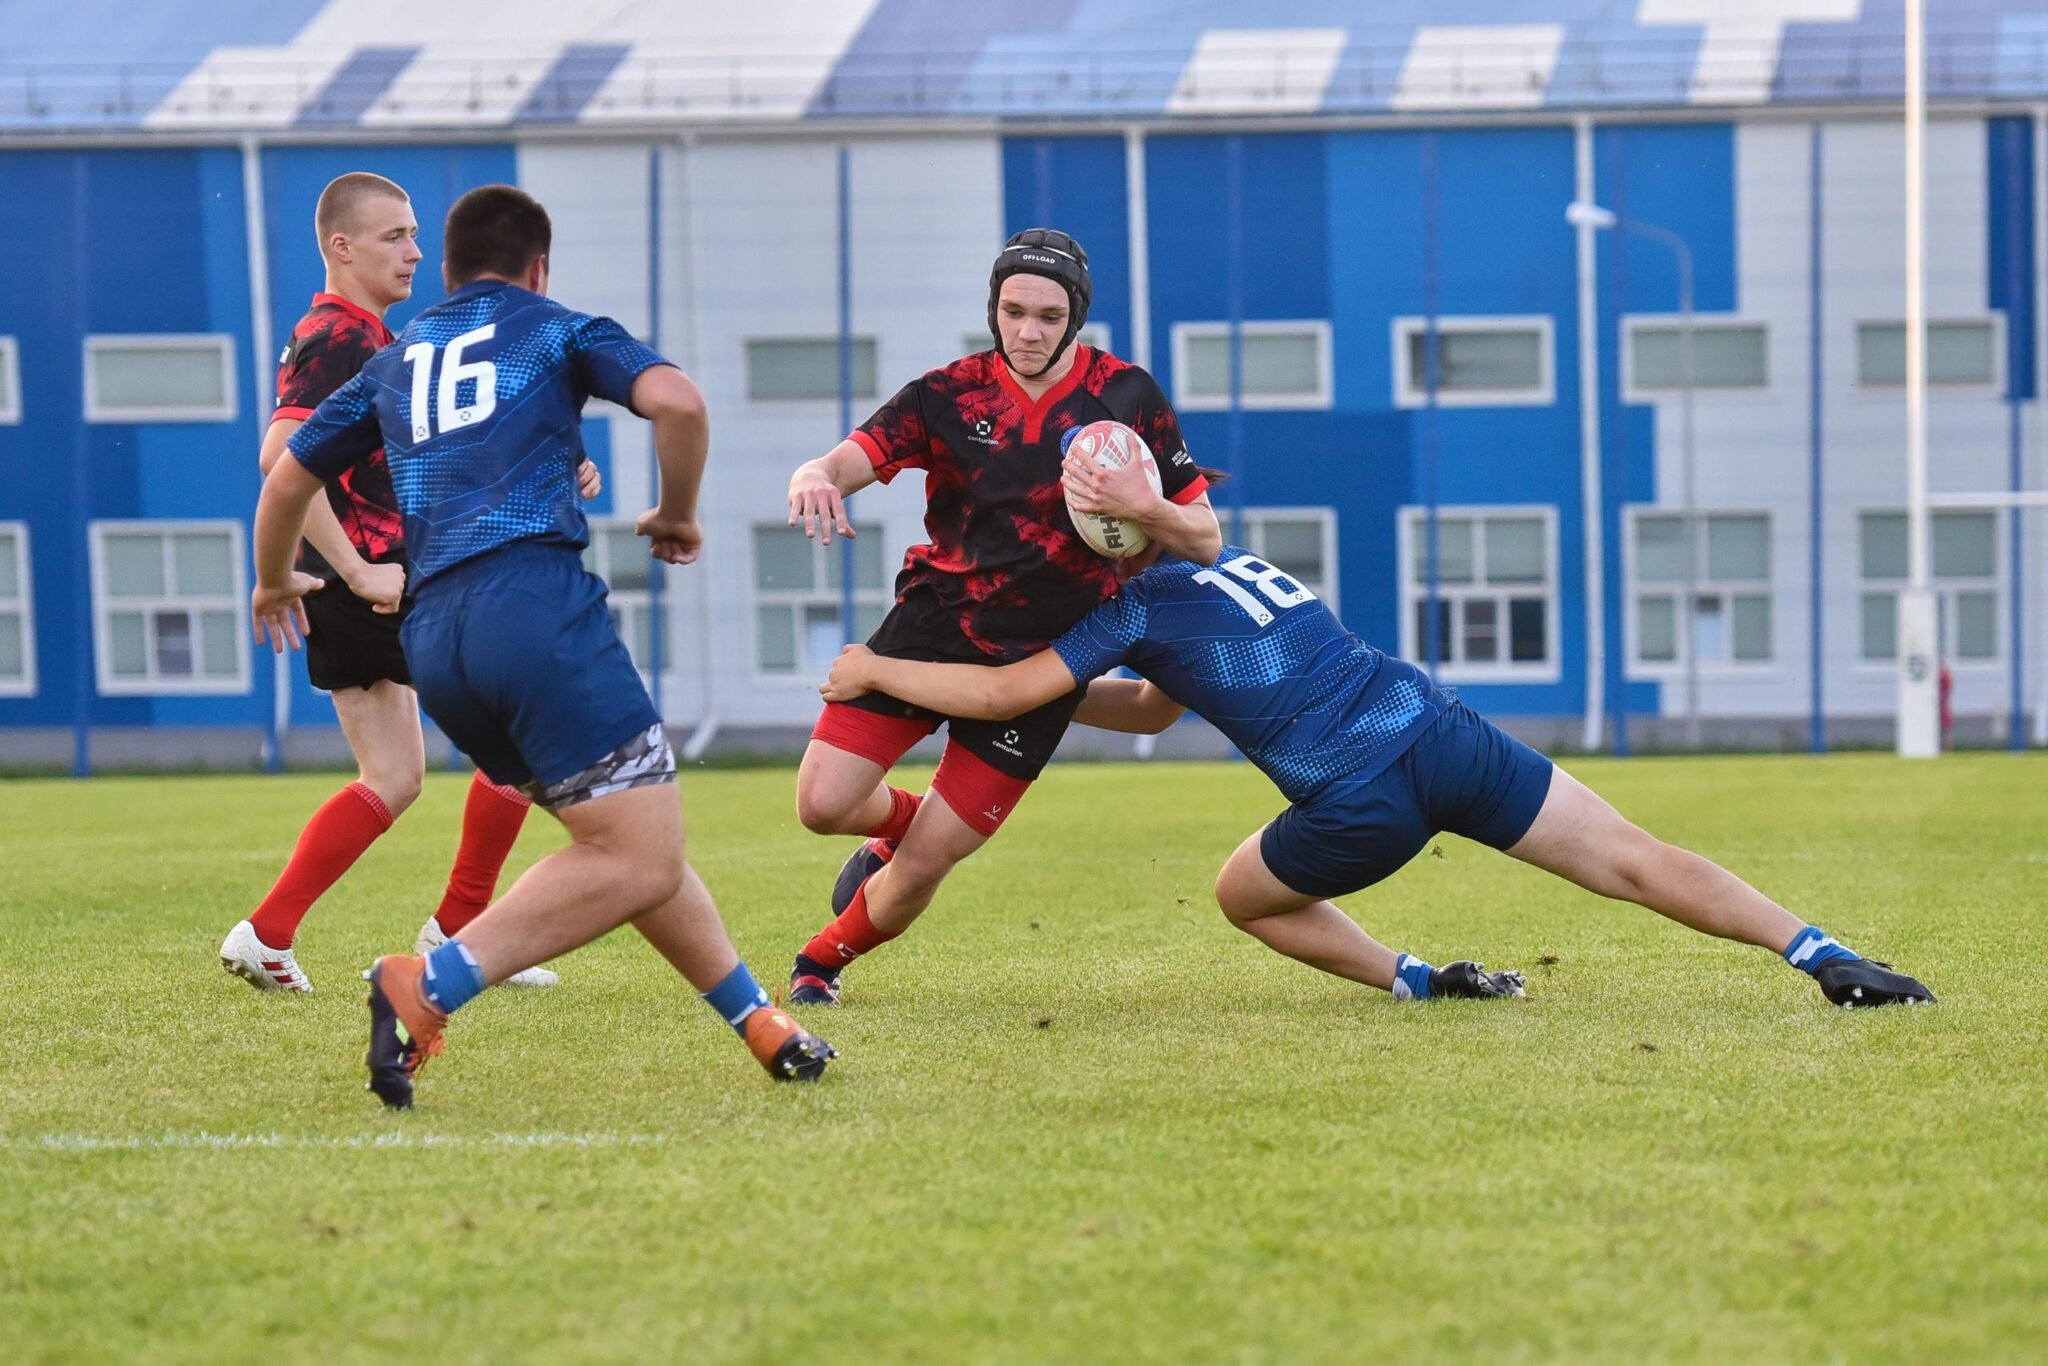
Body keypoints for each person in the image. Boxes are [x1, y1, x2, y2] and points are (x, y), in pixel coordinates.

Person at [251, 184, 835, 1107]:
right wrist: (675, 514)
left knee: (628, 839)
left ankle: (760, 1020)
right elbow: (679, 405)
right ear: (539, 268)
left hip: (437, 638)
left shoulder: (397, 360)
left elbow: (284, 480)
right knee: (636, 852)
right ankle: (430, 981)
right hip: (532, 610)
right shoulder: (558, 328)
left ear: (443, 271)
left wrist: (274, 580)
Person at [821, 538, 1937, 1010]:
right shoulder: (1228, 559)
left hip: (1361, 797)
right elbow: (1157, 704)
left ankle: (1411, 978)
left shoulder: (1130, 600)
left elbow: (1011, 695)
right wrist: (1069, 685)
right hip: (1438, 727)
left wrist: (878, 665)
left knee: (1238, 893)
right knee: (1633, 859)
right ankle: (1821, 954)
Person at [782, 228, 1222, 1005]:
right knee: (822, 805)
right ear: (993, 308)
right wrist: (814, 474)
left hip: (1050, 653)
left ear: (1075, 318)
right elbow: (853, 457)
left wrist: (1140, 506)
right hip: (934, 625)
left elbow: (1205, 539)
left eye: (1048, 316)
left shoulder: (1128, 397)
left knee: (927, 864)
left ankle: (818, 968)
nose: (1028, 330)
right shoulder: (948, 392)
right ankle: (909, 824)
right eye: (1013, 310)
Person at [219, 171, 580, 994]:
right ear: (341, 247)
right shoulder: (342, 336)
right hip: (364, 585)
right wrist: (355, 567)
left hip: (352, 584)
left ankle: (268, 934)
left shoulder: (363, 337)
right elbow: (282, 459)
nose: (416, 251)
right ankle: (460, 933)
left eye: (416, 235)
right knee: (522, 737)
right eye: (395, 236)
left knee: (395, 778)